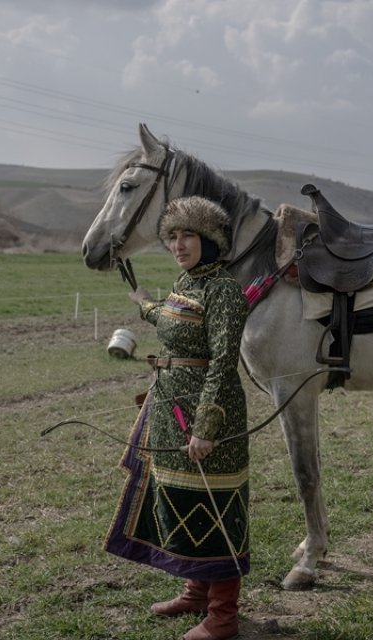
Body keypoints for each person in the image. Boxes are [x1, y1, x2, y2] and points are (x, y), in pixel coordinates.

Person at [104, 196, 250, 640]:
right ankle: (195, 591)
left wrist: (207, 427)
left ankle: (223, 616)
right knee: (182, 499)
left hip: (208, 414)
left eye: (188, 235)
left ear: (210, 240)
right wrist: (144, 303)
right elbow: (169, 316)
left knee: (216, 508)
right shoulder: (185, 283)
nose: (179, 244)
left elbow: (224, 363)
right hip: (170, 409)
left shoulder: (223, 289)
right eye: (172, 236)